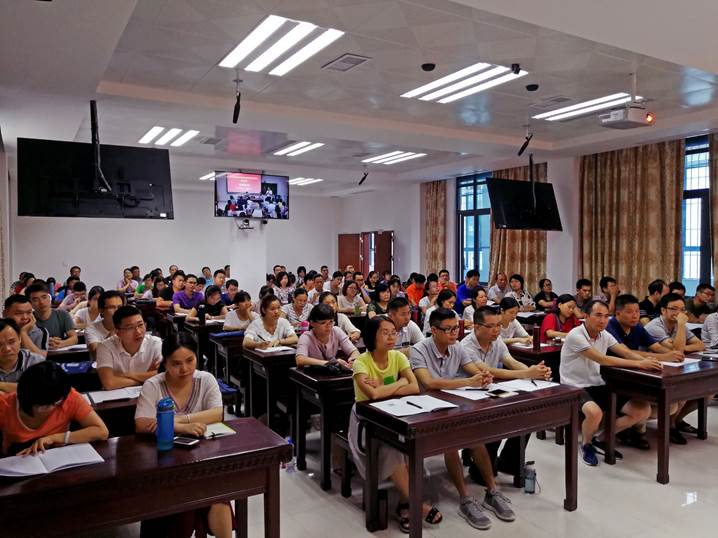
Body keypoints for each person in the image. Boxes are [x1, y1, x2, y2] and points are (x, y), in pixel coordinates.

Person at [411, 308, 514, 527]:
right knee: (453, 441)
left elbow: (472, 369)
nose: (453, 333)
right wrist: (468, 381)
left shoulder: (457, 347)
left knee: (475, 439)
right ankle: (465, 498)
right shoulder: (419, 349)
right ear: (433, 330)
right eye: (448, 329)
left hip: (452, 404)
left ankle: (492, 491)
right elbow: (429, 383)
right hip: (426, 410)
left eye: (455, 328)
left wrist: (482, 376)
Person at [348, 315, 442, 533]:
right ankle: (417, 503)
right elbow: (373, 395)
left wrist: (386, 386)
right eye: (385, 333)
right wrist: (400, 382)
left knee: (410, 445)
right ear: (372, 336)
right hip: (366, 423)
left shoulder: (398, 357)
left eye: (394, 332)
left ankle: (405, 503)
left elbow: (414, 388)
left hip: (396, 414)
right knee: (392, 450)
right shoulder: (361, 362)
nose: (392, 337)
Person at [135, 337, 232, 538]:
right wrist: (182, 427)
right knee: (181, 501)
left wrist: (172, 421)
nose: (185, 369)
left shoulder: (205, 379)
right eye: (176, 364)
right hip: (165, 461)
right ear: (165, 363)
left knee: (219, 498)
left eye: (190, 360)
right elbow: (142, 423)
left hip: (202, 456)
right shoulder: (153, 385)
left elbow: (217, 413)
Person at [559, 300, 662, 466]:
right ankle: (586, 444)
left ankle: (601, 439)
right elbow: (602, 359)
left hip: (597, 383)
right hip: (573, 386)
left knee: (642, 410)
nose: (603, 320)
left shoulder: (604, 334)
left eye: (606, 316)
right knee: (594, 413)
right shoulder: (575, 335)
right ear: (585, 316)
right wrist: (639, 364)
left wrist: (649, 362)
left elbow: (625, 353)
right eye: (598, 315)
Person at [460, 306, 552, 481]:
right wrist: (527, 373)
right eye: (491, 326)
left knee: (525, 414)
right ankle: (476, 459)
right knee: (497, 419)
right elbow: (487, 371)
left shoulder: (497, 341)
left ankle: (509, 462)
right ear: (477, 327)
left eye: (498, 325)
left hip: (493, 391)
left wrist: (534, 372)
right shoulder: (465, 346)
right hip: (470, 397)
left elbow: (510, 361)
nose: (496, 330)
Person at [606, 294, 689, 446]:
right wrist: (665, 356)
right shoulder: (609, 327)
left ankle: (633, 426)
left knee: (672, 404)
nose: (635, 315)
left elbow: (657, 347)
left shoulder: (637, 327)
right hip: (611, 378)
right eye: (630, 312)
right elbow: (625, 352)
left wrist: (672, 354)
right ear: (617, 313)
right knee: (647, 406)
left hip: (635, 373)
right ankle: (632, 429)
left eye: (637, 311)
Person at [0, 361, 108, 456]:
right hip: (16, 459)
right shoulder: (5, 404)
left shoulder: (68, 397)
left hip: (55, 457)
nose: (40, 411)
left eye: (50, 404)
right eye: (37, 405)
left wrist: (54, 438)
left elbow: (101, 431)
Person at [96, 305, 162, 390]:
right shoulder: (105, 347)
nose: (138, 332)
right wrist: (145, 379)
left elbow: (163, 375)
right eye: (130, 328)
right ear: (117, 332)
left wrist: (124, 375)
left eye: (140, 325)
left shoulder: (155, 343)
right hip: (117, 396)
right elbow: (109, 383)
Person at [295, 304, 359, 368]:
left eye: (331, 322)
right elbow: (300, 360)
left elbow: (354, 351)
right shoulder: (306, 337)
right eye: (323, 323)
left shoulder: (336, 331)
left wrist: (353, 359)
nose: (328, 326)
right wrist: (331, 363)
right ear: (312, 323)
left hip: (332, 371)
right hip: (313, 372)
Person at [26, 282, 78, 349]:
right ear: (30, 303)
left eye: (44, 297)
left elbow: (74, 338)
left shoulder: (62, 314)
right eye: (36, 300)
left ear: (49, 297)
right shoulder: (27, 319)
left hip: (58, 353)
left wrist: (60, 343)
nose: (41, 302)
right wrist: (44, 341)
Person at [0, 319, 45, 393]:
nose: (7, 349)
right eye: (0, 344)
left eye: (11, 342)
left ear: (20, 338)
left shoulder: (36, 361)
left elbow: (39, 389)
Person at [86, 290, 125, 356]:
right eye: (112, 307)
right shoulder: (91, 329)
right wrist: (115, 328)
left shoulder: (129, 325)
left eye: (120, 307)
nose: (117, 311)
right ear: (101, 310)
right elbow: (96, 353)